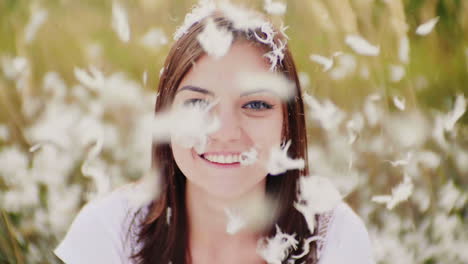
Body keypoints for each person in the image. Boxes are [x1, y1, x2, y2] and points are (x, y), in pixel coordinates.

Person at [54, 3, 374, 264]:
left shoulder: (333, 240)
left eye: (256, 103)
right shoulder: (109, 232)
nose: (224, 131)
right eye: (197, 103)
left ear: (287, 122)